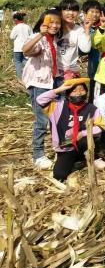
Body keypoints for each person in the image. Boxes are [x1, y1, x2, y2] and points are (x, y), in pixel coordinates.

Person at [36, 79, 105, 180]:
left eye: (82, 90)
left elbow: (101, 126)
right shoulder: (57, 106)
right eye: (74, 91)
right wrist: (59, 89)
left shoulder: (91, 109)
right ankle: (75, 162)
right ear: (68, 94)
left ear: (86, 92)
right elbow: (40, 99)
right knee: (59, 175)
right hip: (65, 148)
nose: (79, 93)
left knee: (86, 139)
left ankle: (89, 158)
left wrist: (82, 133)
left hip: (83, 145)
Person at [22, 9, 63, 170]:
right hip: (39, 84)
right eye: (50, 22)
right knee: (42, 120)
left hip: (52, 82)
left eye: (57, 22)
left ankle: (57, 147)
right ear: (42, 22)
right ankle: (37, 155)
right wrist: (40, 34)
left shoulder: (53, 40)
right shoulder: (37, 37)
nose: (54, 25)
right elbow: (26, 50)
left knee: (56, 117)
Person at [56, 0, 92, 81]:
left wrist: (86, 29)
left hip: (71, 72)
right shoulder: (55, 28)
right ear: (60, 11)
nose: (71, 13)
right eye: (67, 10)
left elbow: (85, 49)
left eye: (74, 10)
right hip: (54, 71)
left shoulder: (79, 29)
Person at [10, 12, 31, 78]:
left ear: (16, 20)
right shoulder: (28, 26)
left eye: (14, 20)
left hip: (17, 48)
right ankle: (29, 76)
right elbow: (32, 36)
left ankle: (20, 78)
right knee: (26, 62)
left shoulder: (16, 27)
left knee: (18, 62)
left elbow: (11, 37)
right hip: (26, 47)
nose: (13, 21)